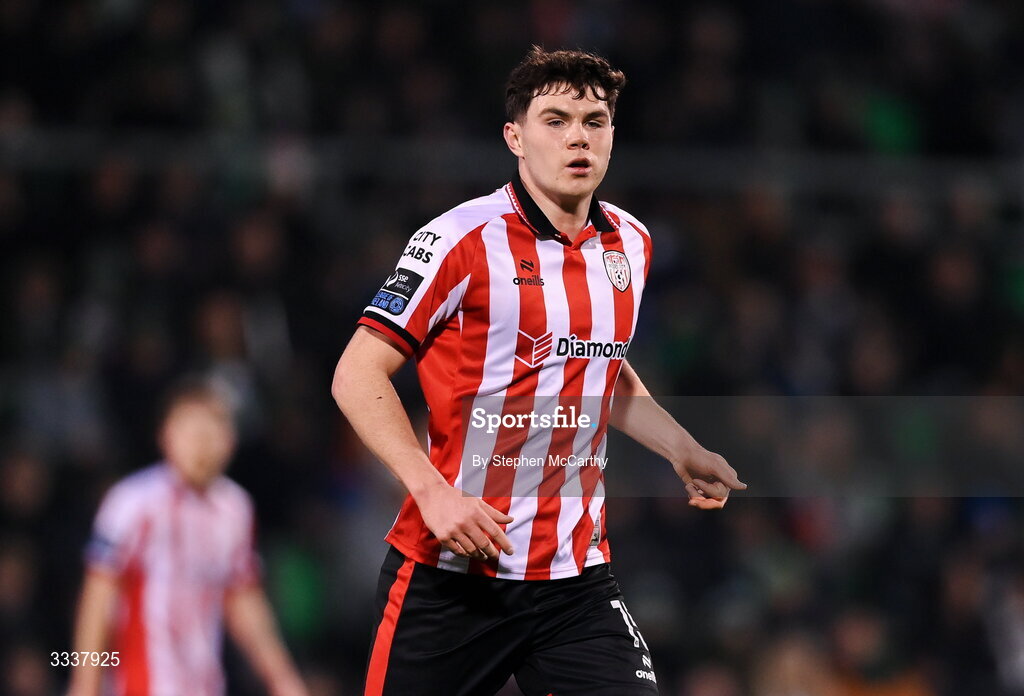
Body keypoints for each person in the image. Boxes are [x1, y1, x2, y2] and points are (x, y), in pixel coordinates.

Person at [332, 46, 746, 696]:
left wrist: (681, 447)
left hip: (575, 580)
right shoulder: (457, 239)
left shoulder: (631, 244)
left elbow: (597, 366)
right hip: (454, 578)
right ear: (515, 136)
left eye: (595, 120)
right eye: (556, 120)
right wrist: (431, 491)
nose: (578, 136)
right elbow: (356, 374)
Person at [67, 380, 308, 696]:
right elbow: (98, 598)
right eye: (191, 430)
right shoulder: (133, 502)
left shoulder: (235, 508)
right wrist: (84, 685)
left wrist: (284, 680)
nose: (202, 442)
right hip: (140, 686)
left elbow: (243, 599)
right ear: (165, 435)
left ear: (231, 440)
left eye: (214, 429)